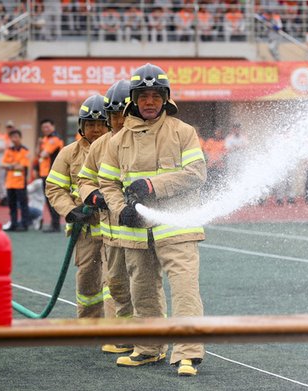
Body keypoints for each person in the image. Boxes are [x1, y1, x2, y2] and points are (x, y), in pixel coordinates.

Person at [98, 63, 206, 376]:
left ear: (165, 98)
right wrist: (121, 210)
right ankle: (148, 348)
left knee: (185, 290)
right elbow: (107, 184)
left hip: (177, 227)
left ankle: (187, 353)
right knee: (141, 292)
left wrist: (152, 186)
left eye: (155, 95)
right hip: (135, 231)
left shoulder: (183, 132)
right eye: (143, 95)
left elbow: (196, 174)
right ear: (133, 99)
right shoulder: (117, 141)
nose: (149, 101)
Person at [77, 81, 165, 354]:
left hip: (142, 230)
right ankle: (126, 336)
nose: (117, 120)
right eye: (112, 115)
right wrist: (95, 196)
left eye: (121, 114)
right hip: (112, 231)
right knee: (116, 284)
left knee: (145, 287)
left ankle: (152, 342)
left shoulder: (145, 137)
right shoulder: (101, 145)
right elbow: (85, 180)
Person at [46, 94, 113, 321]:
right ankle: (89, 326)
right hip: (85, 232)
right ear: (82, 126)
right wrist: (70, 211)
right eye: (90, 124)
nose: (96, 129)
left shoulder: (119, 148)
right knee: (87, 282)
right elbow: (54, 187)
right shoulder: (68, 153)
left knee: (115, 280)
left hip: (115, 229)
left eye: (100, 123)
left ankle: (118, 329)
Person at [1, 129, 30, 232]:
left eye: (16, 136)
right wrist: (13, 165)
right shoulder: (8, 150)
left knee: (23, 204)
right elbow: (3, 164)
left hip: (20, 182)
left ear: (20, 137)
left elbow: (22, 166)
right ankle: (13, 223)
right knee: (11, 205)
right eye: (12, 137)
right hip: (10, 182)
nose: (14, 139)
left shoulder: (25, 150)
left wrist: (10, 165)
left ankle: (24, 224)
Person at [38, 119, 64, 232]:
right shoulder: (45, 139)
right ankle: (54, 223)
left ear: (53, 126)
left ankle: (56, 224)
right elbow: (38, 155)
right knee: (48, 199)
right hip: (44, 173)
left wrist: (40, 148)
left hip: (52, 173)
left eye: (47, 127)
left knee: (52, 199)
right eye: (43, 127)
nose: (45, 129)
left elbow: (44, 154)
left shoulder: (55, 139)